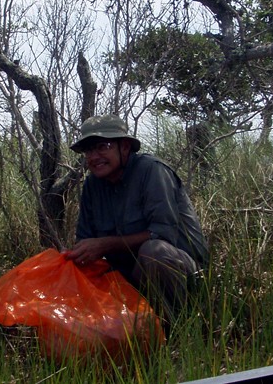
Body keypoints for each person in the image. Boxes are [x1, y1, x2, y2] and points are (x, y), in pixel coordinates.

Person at [64, 114, 209, 321]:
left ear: (124, 147)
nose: (94, 156)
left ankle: (180, 329)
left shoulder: (152, 171)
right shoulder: (92, 185)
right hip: (130, 276)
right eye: (88, 150)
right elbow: (86, 241)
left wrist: (104, 245)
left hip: (180, 272)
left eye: (103, 146)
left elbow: (163, 234)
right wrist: (74, 255)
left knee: (154, 252)